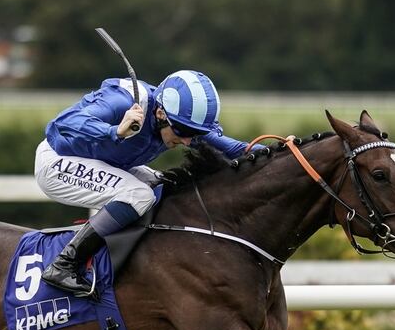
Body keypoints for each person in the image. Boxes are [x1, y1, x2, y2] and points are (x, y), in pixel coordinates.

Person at [34, 70, 259, 297]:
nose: (188, 141)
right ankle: (64, 265)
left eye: (195, 133)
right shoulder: (122, 100)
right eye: (184, 132)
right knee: (139, 195)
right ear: (160, 113)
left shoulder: (178, 118)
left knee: (167, 185)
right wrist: (115, 131)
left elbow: (234, 148)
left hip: (104, 161)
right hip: (57, 160)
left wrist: (286, 151)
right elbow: (61, 124)